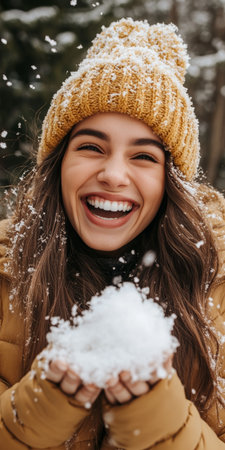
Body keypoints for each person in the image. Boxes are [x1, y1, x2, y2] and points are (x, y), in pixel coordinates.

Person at [0, 17, 225, 450]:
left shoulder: (216, 286)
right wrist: (40, 407)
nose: (114, 175)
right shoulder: (5, 272)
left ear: (171, 182)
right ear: (58, 164)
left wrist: (156, 416)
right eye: (91, 147)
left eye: (143, 156)